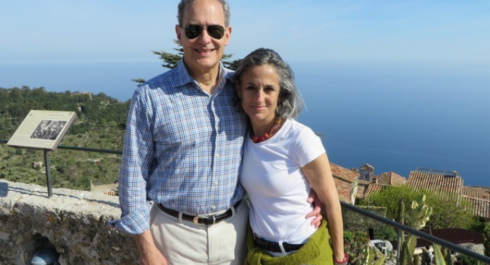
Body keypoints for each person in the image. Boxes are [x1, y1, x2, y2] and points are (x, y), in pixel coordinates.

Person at [112, 1, 322, 264]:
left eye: (214, 29)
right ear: (179, 34)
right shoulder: (151, 97)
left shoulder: (245, 90)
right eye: (193, 30)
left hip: (236, 232)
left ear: (227, 35)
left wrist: (310, 189)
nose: (205, 39)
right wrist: (147, 249)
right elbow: (132, 180)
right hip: (172, 235)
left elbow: (278, 141)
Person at [233, 48, 347, 265]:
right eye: (251, 87)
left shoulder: (299, 138)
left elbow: (332, 201)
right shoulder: (241, 135)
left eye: (269, 89)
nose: (259, 97)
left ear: (280, 94)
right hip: (258, 254)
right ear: (239, 90)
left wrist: (340, 258)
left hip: (305, 255)